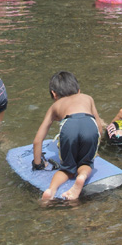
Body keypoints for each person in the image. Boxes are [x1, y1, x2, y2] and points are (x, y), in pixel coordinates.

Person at [32, 71, 105, 201]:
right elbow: (99, 128)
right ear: (78, 90)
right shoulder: (87, 98)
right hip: (90, 124)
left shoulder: (55, 106)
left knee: (66, 169)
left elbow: (38, 140)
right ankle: (81, 176)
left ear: (54, 94)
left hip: (69, 126)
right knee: (86, 163)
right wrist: (94, 150)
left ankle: (51, 190)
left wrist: (37, 164)